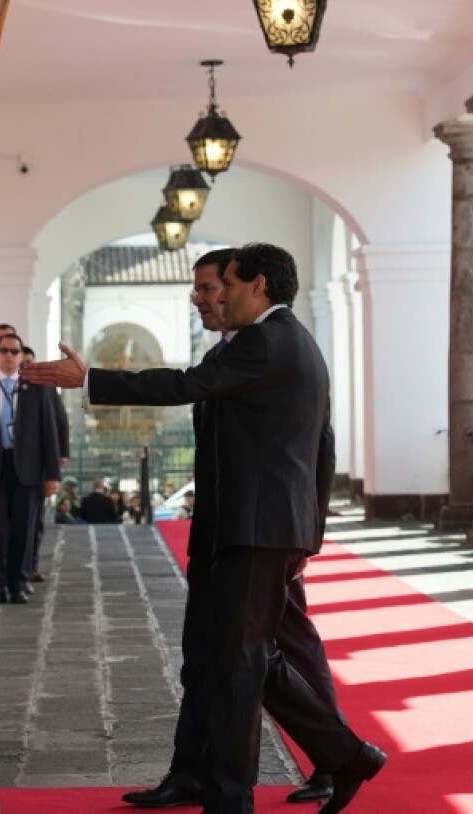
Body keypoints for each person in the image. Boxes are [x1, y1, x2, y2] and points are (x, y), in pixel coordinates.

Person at [24, 243, 385, 814]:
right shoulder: (285, 341)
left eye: (229, 286)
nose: (219, 297)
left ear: (258, 286)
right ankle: (344, 755)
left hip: (257, 530)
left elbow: (181, 385)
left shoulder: (267, 341)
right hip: (244, 528)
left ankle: (233, 799)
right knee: (236, 658)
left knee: (240, 664)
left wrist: (89, 377)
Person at [121, 247, 342, 808]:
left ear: (243, 286)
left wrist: (307, 532)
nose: (204, 298)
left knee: (266, 654)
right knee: (206, 654)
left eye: (210, 287)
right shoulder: (243, 349)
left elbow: (319, 442)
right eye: (198, 290)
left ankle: (337, 760)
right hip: (226, 530)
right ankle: (192, 772)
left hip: (261, 532)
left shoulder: (265, 345)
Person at [0, 332, 62, 605]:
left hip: (27, 468)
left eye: (14, 352)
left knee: (23, 529)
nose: (9, 356)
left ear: (21, 355)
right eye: (4, 351)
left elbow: (48, 430)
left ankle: (18, 583)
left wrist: (52, 473)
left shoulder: (35, 384)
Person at [23, 345, 70, 582]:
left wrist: (61, 454)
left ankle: (30, 564)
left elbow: (59, 420)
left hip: (37, 465)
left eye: (30, 363)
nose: (26, 368)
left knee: (33, 518)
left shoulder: (45, 388)